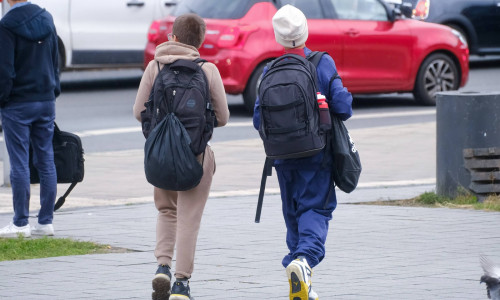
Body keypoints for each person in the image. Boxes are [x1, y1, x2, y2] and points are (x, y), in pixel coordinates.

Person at [253, 5, 353, 300]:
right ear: (305, 31)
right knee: (316, 209)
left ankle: (301, 280)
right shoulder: (322, 62)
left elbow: (259, 120)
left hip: (281, 158)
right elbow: (343, 107)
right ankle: (304, 261)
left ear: (278, 38)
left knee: (294, 214)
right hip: (316, 153)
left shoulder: (270, 70)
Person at [133, 13, 229, 300]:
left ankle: (162, 265)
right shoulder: (208, 69)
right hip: (195, 155)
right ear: (199, 42)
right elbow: (222, 117)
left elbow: (139, 111)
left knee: (166, 210)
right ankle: (181, 284)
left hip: (162, 153)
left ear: (172, 37)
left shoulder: (155, 66)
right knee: (189, 218)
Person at [0, 0, 60, 238]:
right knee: (46, 160)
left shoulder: (6, 25)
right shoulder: (47, 18)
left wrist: (2, 100)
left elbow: (4, 70)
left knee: (19, 163)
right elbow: (54, 61)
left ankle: (20, 223)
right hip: (45, 100)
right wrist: (53, 91)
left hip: (18, 103)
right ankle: (45, 222)